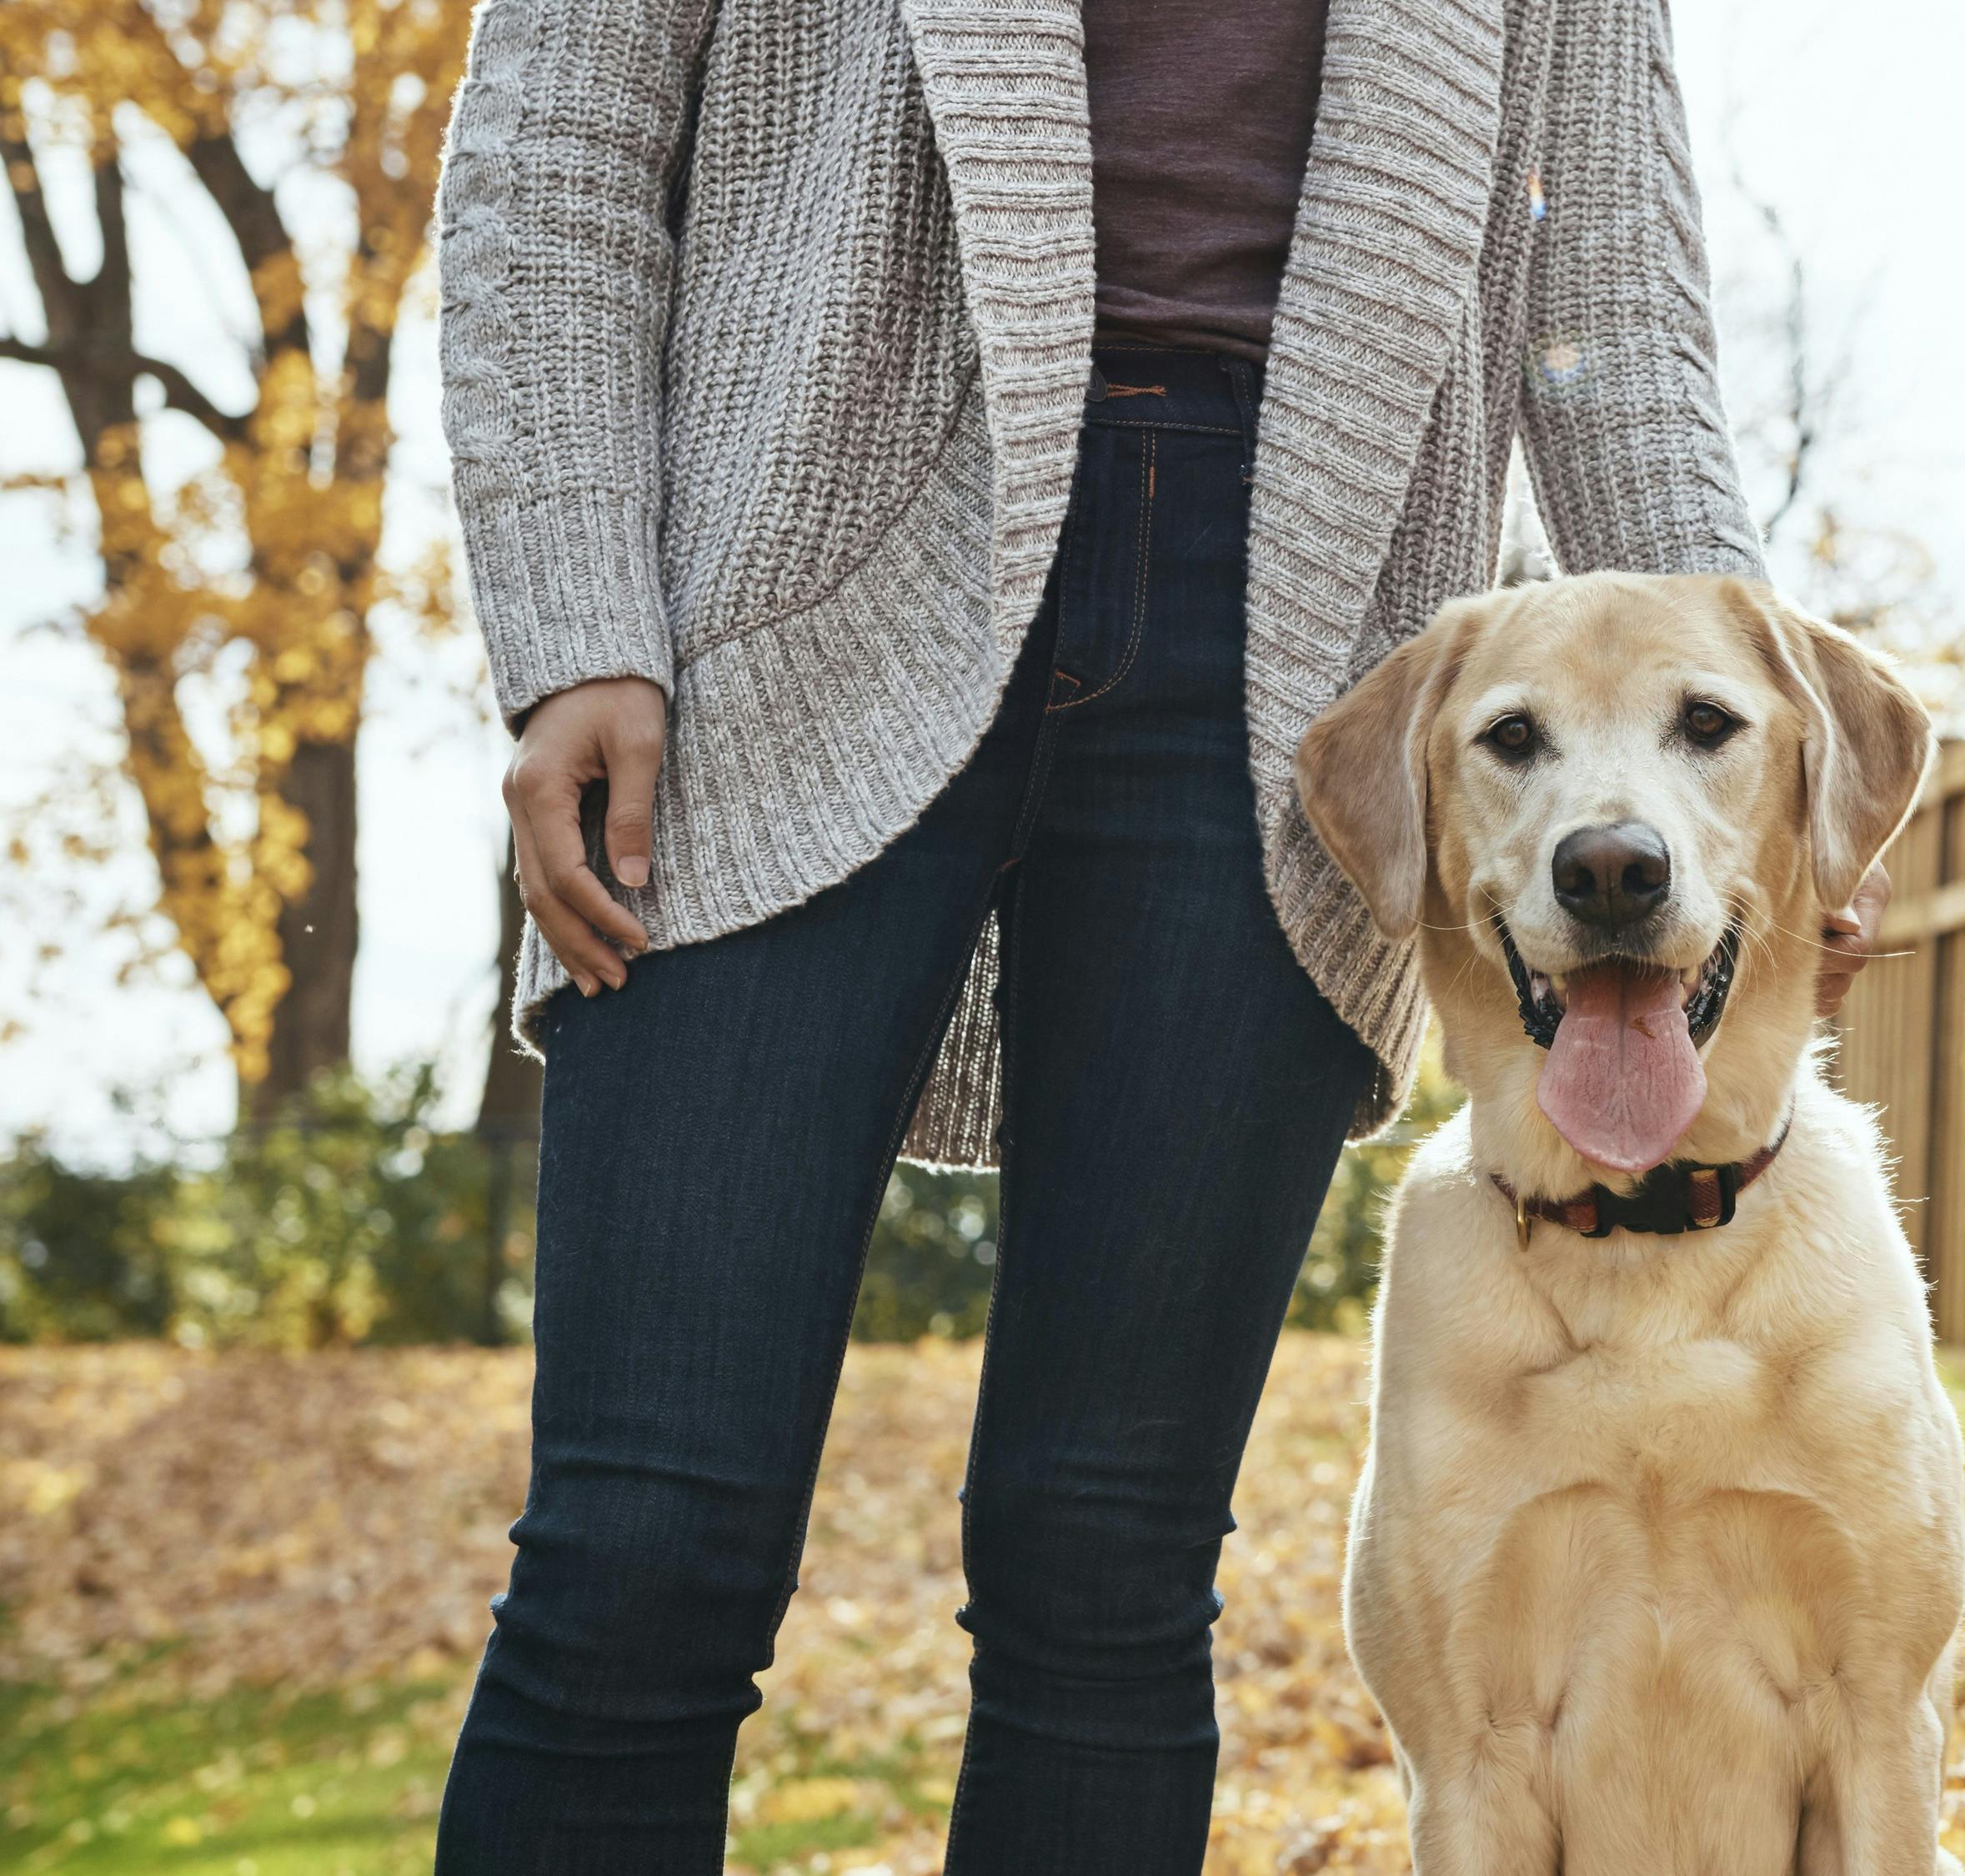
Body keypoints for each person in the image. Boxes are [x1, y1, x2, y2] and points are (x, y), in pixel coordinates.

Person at [426, 0, 1889, 1868]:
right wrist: (575, 622)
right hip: (781, 590)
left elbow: (1606, 286)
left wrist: (1744, 781)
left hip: (1293, 632)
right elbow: (560, 146)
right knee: (645, 1545)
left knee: (1105, 1571)